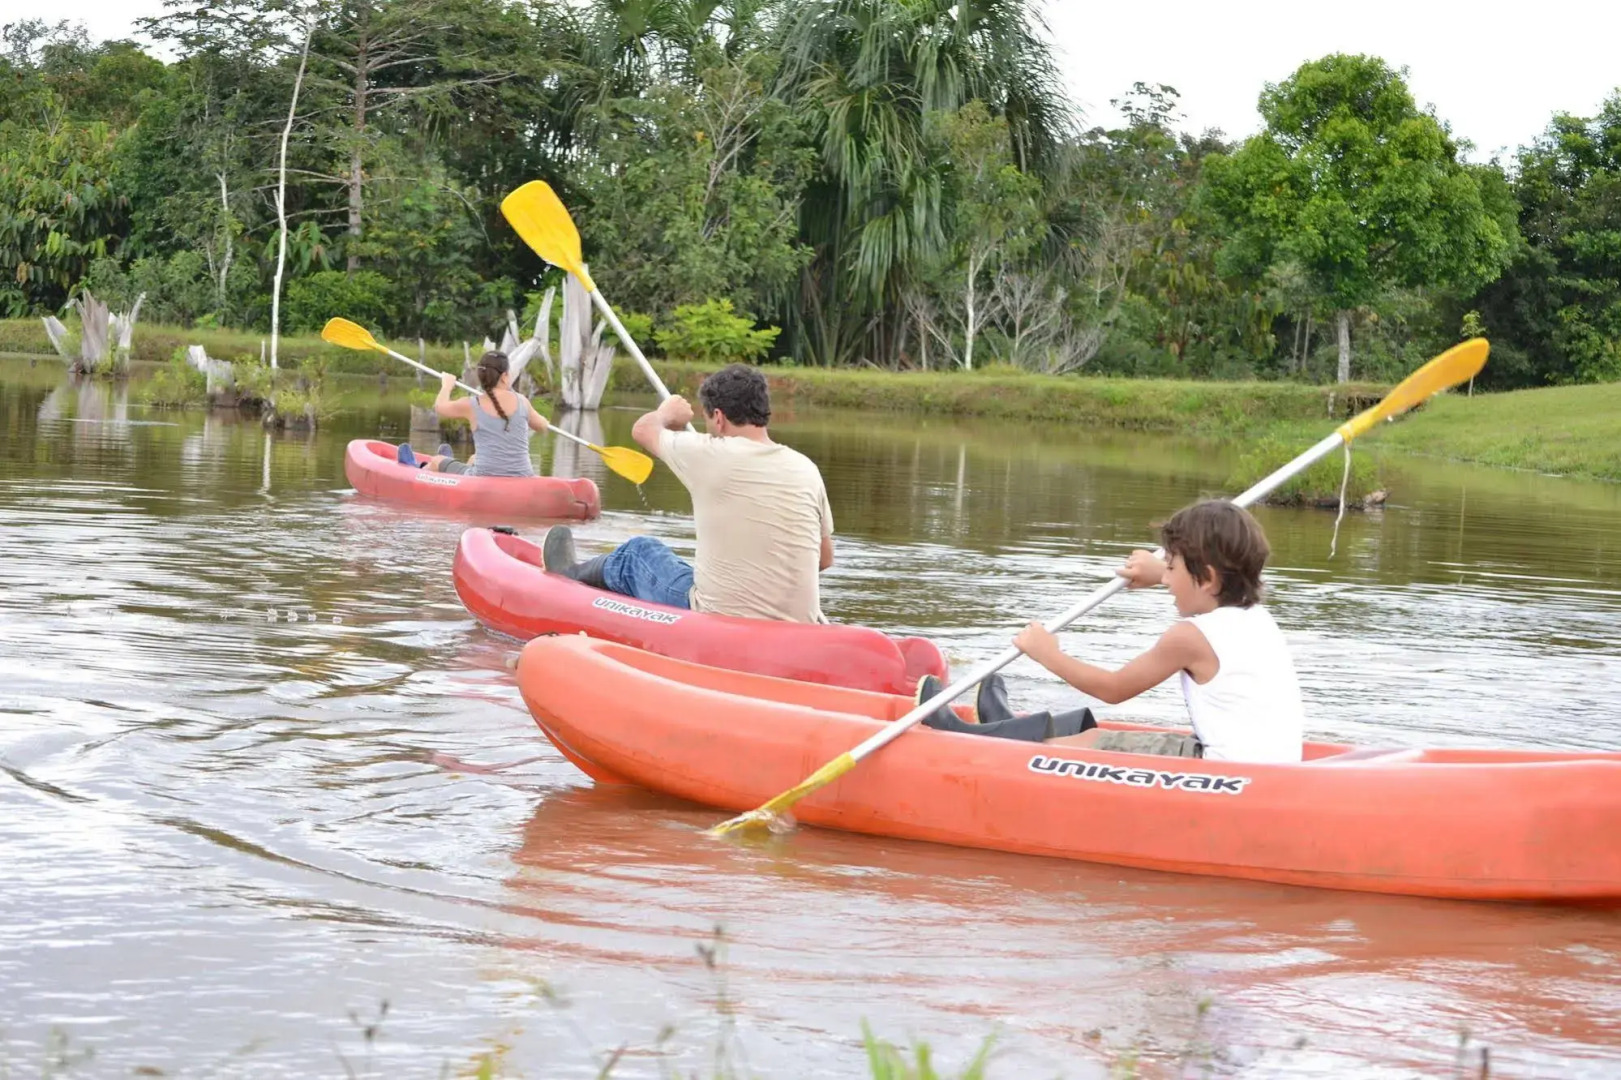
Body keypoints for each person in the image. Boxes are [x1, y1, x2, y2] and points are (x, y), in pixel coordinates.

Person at [914, 499, 1305, 763]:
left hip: (1226, 774)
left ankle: (962, 738)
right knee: (1085, 739)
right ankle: (1006, 723)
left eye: (1171, 567)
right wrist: (1160, 573)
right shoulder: (1255, 616)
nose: (1165, 579)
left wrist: (1047, 652)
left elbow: (1114, 689)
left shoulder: (1188, 637)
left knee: (1073, 749)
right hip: (1251, 762)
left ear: (1206, 577)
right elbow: (1208, 585)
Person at [541, 364, 834, 623]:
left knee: (639, 552)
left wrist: (666, 413)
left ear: (718, 417)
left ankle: (569, 575)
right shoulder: (806, 467)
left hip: (718, 616)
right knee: (689, 569)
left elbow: (643, 429)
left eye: (708, 421)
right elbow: (823, 560)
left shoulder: (708, 452)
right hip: (799, 622)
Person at [395, 351, 549, 475]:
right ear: (504, 377)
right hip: (523, 475)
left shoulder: (471, 404)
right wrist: (542, 420)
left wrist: (446, 385)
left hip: (484, 476)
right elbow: (542, 426)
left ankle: (416, 468)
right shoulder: (522, 401)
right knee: (473, 458)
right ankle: (448, 468)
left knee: (436, 460)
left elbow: (439, 407)